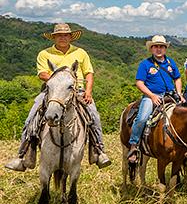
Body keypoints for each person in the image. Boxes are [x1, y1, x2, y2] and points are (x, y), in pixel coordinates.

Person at [5, 23, 111, 172]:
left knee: (94, 116)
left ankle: (99, 151)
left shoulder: (80, 53)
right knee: (32, 116)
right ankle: (22, 156)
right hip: (52, 91)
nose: (62, 38)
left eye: (66, 35)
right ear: (54, 38)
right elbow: (42, 74)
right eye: (59, 35)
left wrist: (88, 91)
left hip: (77, 90)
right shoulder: (45, 54)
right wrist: (60, 80)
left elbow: (89, 73)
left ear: (70, 37)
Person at [128, 35, 183, 162]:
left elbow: (177, 78)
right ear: (151, 49)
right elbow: (139, 82)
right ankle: (134, 145)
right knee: (142, 118)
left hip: (170, 95)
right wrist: (152, 95)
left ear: (165, 49)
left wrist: (179, 93)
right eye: (156, 47)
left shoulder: (170, 63)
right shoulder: (145, 64)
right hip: (151, 96)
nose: (159, 49)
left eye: (161, 47)